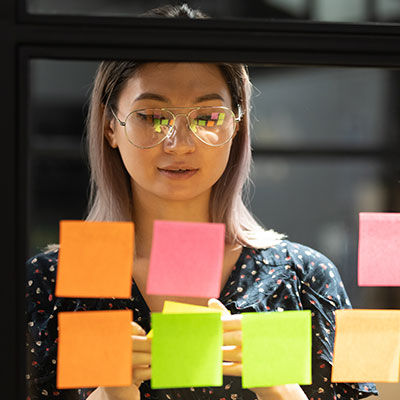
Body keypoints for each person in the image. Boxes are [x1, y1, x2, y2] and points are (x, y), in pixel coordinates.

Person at [25, 4, 379, 400]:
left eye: (208, 118)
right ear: (111, 125)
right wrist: (111, 392)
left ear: (237, 123)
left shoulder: (303, 278)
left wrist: (276, 383)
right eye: (152, 116)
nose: (179, 144)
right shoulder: (49, 284)